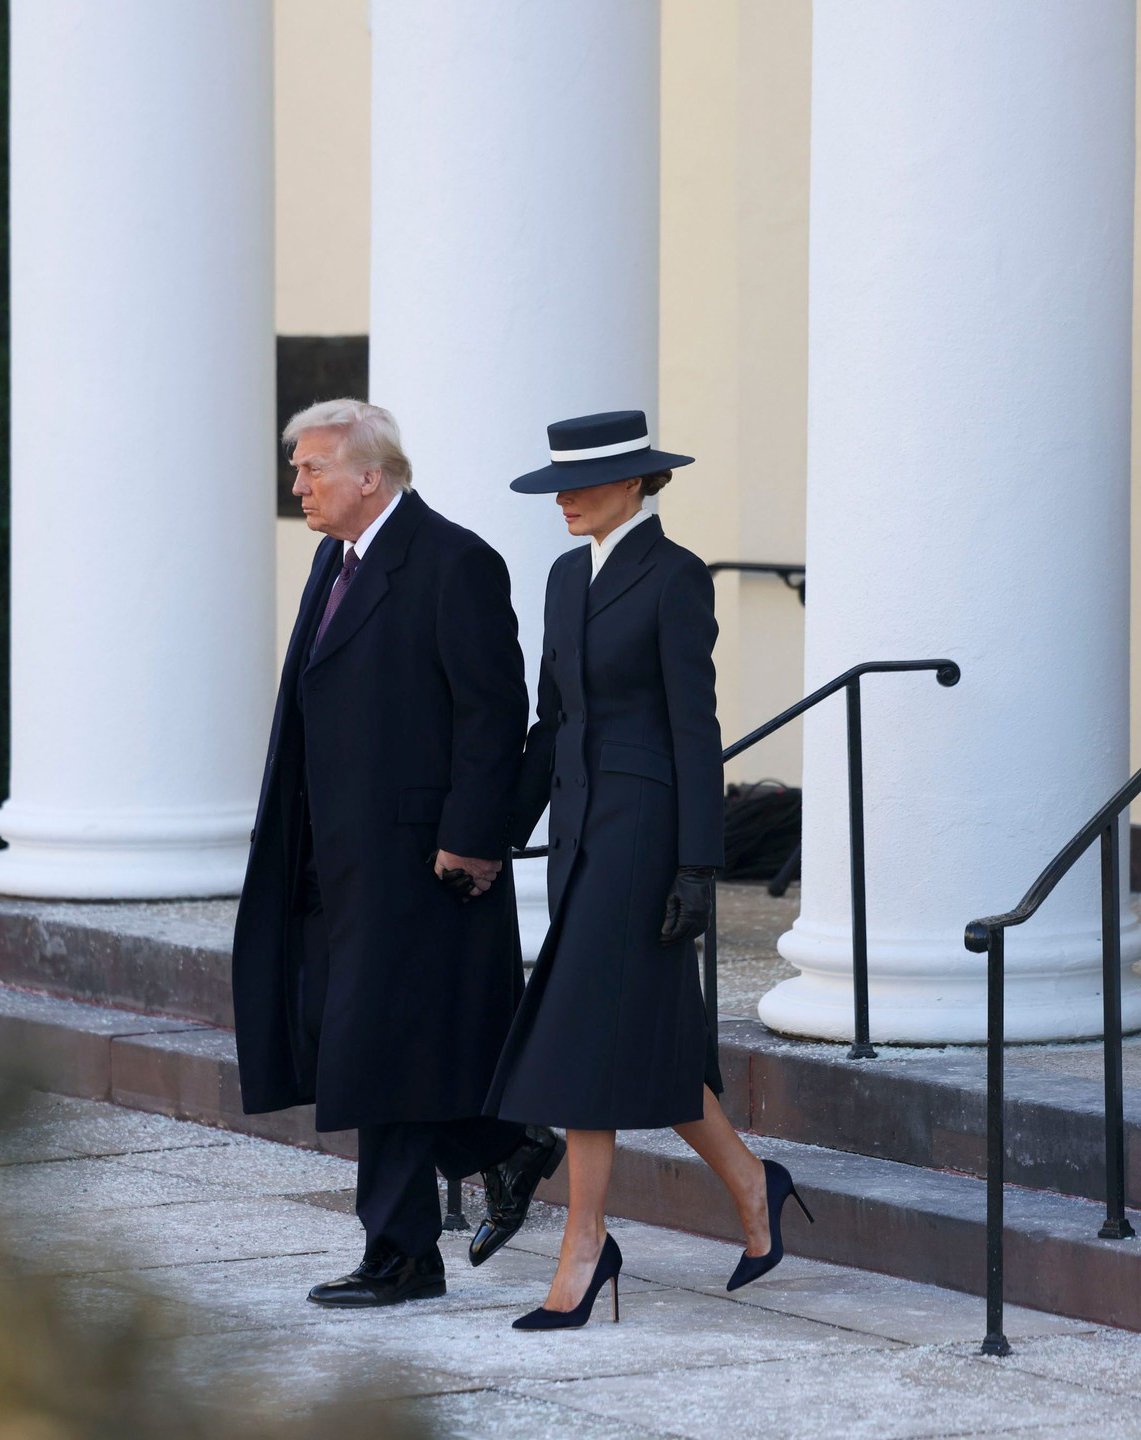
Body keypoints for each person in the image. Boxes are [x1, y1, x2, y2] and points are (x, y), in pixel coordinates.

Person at [485, 409, 814, 1331]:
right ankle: (755, 1188)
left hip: (643, 837)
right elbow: (550, 720)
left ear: (635, 482)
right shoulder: (560, 576)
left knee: (581, 1038)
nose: (563, 502)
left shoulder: (673, 577)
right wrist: (496, 832)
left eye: (580, 486)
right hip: (579, 827)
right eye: (555, 487)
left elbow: (693, 728)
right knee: (647, 1047)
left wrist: (697, 867)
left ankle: (584, 1248)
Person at [232, 398, 564, 1309]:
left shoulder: (454, 562)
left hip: (423, 863)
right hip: (330, 855)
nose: (297, 483)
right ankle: (502, 1144)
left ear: (369, 476)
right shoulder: (332, 559)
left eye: (311, 468)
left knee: (377, 1052)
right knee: (367, 1043)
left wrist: (471, 838)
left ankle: (401, 1254)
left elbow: (491, 713)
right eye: (297, 468)